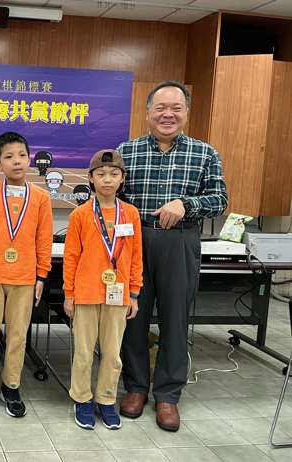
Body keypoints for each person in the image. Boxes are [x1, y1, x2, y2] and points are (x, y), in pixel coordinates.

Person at [117, 81, 228, 432]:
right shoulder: (126, 151)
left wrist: (187, 204)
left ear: (186, 113)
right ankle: (136, 387)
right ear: (148, 112)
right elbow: (111, 196)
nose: (168, 114)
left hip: (180, 241)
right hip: (134, 242)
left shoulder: (204, 153)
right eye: (161, 108)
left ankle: (167, 394)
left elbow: (220, 199)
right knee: (132, 316)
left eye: (176, 108)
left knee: (175, 320)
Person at [0, 132, 53, 419]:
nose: (16, 161)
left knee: (18, 336)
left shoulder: (41, 197)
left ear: (29, 159)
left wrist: (41, 276)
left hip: (25, 278)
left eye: (21, 155)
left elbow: (43, 240)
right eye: (9, 157)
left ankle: (11, 386)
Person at [62, 149, 143, 430]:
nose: (107, 179)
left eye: (113, 174)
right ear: (91, 178)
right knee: (84, 352)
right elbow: (71, 257)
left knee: (112, 353)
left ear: (123, 179)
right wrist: (69, 294)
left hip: (118, 294)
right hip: (85, 293)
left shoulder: (130, 214)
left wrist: (134, 293)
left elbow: (136, 256)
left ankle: (106, 399)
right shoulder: (81, 214)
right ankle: (82, 398)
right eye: (101, 174)